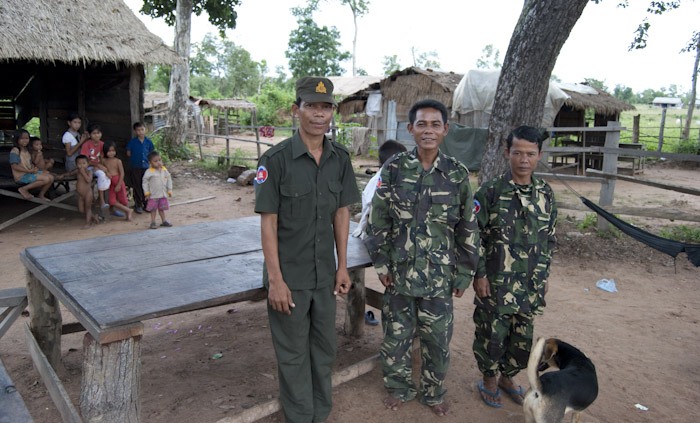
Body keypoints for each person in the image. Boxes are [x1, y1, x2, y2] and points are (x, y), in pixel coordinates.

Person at [254, 76, 360, 423]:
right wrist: (276, 281)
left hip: (325, 276)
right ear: (296, 109)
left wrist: (343, 266)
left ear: (333, 112)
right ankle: (301, 418)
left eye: (325, 107)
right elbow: (268, 222)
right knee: (293, 354)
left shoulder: (340, 158)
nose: (319, 114)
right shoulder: (276, 159)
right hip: (290, 277)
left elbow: (342, 213)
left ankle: (320, 414)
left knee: (324, 351)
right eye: (311, 106)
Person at [364, 99, 480, 417]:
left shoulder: (457, 175)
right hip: (399, 275)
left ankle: (432, 392)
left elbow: (468, 227)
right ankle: (399, 387)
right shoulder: (395, 169)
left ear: (445, 129)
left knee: (437, 340)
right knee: (396, 337)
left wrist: (464, 274)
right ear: (410, 129)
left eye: (434, 124)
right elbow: (378, 220)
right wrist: (383, 264)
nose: (427, 130)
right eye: (421, 124)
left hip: (439, 279)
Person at [472, 125, 557, 408]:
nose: (524, 159)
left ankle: (508, 377)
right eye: (517, 152)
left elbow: (549, 238)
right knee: (491, 335)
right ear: (507, 153)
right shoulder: (490, 192)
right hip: (496, 282)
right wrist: (480, 274)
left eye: (531, 153)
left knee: (522, 337)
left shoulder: (545, 193)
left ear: (539, 155)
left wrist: (543, 274)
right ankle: (488, 380)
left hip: (530, 284)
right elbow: (474, 237)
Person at [351, 140, 406, 240]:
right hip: (378, 233)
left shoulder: (400, 177)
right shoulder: (378, 180)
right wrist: (361, 228)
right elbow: (369, 206)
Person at [9, 129, 55, 201]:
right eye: (22, 138)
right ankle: (23, 189)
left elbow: (30, 163)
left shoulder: (26, 150)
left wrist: (34, 169)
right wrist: (28, 171)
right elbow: (14, 166)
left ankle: (41, 195)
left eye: (26, 138)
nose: (25, 140)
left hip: (28, 173)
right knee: (46, 179)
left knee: (51, 177)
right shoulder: (15, 151)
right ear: (16, 139)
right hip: (21, 176)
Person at [79, 123, 111, 213]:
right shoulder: (86, 145)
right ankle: (96, 200)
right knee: (95, 177)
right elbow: (84, 161)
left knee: (104, 175)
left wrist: (106, 169)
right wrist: (97, 166)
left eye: (99, 133)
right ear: (89, 135)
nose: (97, 135)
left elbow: (103, 159)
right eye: (94, 133)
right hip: (88, 167)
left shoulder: (102, 144)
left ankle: (100, 199)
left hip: (98, 167)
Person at [126, 122, 154, 214]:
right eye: (138, 130)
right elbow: (128, 153)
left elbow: (151, 154)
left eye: (142, 129)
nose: (140, 132)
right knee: (137, 186)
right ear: (135, 131)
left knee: (145, 186)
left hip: (146, 167)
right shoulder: (132, 142)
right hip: (135, 167)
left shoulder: (148, 142)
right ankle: (138, 205)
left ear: (145, 130)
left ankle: (146, 204)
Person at [103, 142, 134, 221]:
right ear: (105, 152)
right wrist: (107, 172)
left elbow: (122, 173)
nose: (111, 153)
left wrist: (119, 184)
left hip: (118, 181)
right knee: (112, 201)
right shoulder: (104, 161)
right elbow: (99, 166)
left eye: (113, 151)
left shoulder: (118, 161)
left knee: (123, 199)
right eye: (109, 151)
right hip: (110, 182)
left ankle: (128, 215)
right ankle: (128, 210)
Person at [142, 150, 172, 229]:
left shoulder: (164, 170)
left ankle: (164, 221)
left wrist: (169, 190)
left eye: (159, 160)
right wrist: (147, 193)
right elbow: (144, 183)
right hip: (153, 195)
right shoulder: (149, 172)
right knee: (153, 209)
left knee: (161, 209)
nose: (158, 162)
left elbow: (169, 179)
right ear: (150, 163)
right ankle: (153, 222)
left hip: (162, 194)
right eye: (155, 161)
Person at [75, 155, 99, 229]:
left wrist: (83, 173)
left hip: (88, 193)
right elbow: (70, 173)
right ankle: (94, 216)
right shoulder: (77, 171)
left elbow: (88, 180)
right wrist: (62, 175)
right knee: (81, 210)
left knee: (88, 208)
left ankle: (88, 223)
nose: (81, 165)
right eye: (79, 164)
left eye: (84, 163)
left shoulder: (89, 171)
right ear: (76, 165)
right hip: (80, 195)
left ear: (88, 164)